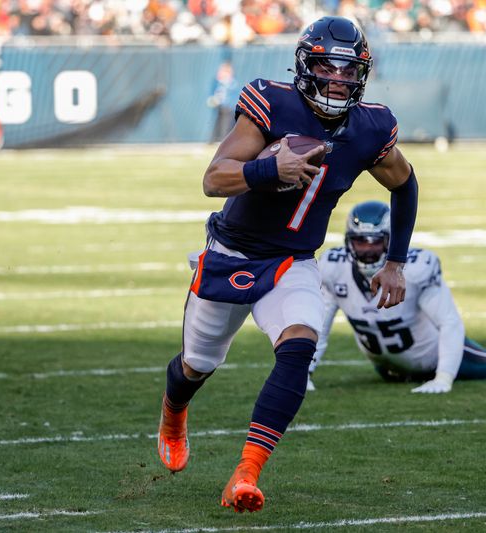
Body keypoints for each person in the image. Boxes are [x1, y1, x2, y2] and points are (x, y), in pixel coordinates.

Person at [156, 17, 419, 513]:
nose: (338, 79)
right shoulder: (272, 103)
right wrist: (267, 170)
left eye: (349, 70)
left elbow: (405, 183)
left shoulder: (369, 127)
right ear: (305, 65)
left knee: (299, 345)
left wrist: (396, 261)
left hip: (293, 261)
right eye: (327, 66)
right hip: (232, 252)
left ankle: (246, 474)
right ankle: (173, 413)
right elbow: (214, 180)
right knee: (197, 365)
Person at [308, 200, 486, 394]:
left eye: (374, 242)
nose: (366, 250)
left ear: (391, 241)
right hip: (391, 365)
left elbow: (449, 322)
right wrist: (304, 372)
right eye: (360, 242)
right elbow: (319, 323)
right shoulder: (333, 267)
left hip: (434, 353)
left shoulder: (416, 268)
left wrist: (444, 376)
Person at [206, 57, 240, 143]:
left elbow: (231, 96)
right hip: (220, 107)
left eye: (223, 71)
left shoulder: (232, 83)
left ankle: (223, 140)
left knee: (227, 124)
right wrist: (213, 99)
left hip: (229, 108)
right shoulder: (218, 83)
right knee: (217, 123)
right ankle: (213, 139)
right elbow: (214, 93)